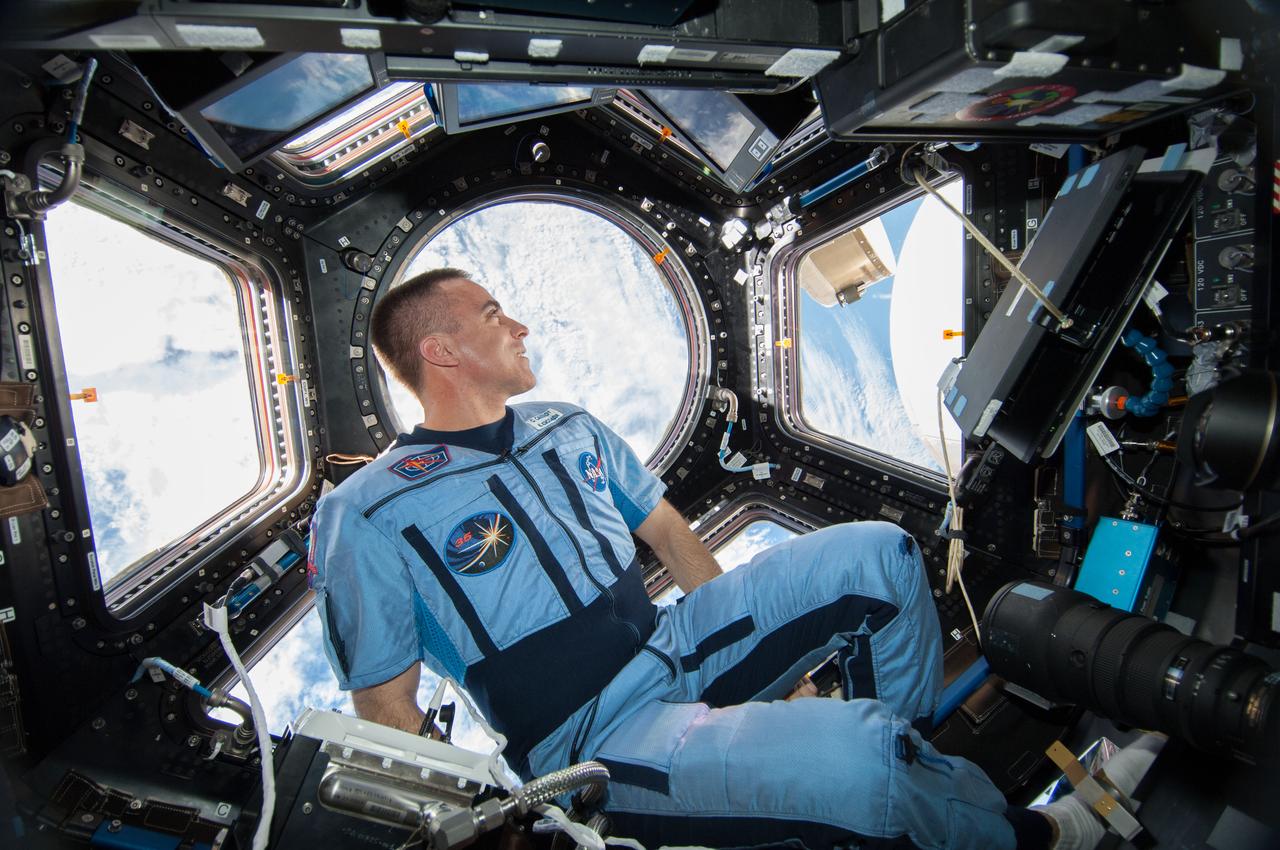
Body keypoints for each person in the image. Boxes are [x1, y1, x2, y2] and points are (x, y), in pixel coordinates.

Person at [309, 268, 1154, 850]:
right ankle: (1048, 832)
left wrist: (766, 660)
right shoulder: (366, 511)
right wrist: (499, 822)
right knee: (855, 768)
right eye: (494, 313)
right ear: (442, 352)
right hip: (590, 734)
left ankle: (908, 773)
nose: (519, 324)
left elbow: (672, 539)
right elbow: (386, 706)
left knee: (883, 561)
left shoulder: (566, 425)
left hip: (677, 643)